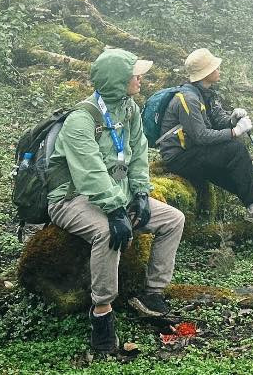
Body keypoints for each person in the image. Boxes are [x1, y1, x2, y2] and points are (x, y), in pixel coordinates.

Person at [47, 47, 186, 357]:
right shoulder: (80, 120)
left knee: (173, 219)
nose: (140, 80)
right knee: (107, 232)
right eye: (135, 75)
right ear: (117, 80)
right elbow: (90, 173)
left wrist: (141, 193)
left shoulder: (129, 109)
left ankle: (152, 293)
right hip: (72, 197)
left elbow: (138, 153)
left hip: (117, 192)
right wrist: (115, 210)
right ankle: (102, 312)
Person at [156, 48, 253, 228]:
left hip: (196, 153)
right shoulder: (188, 98)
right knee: (235, 149)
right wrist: (235, 132)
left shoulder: (206, 93)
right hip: (179, 158)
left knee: (240, 167)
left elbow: (217, 120)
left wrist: (232, 120)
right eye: (215, 67)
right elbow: (201, 136)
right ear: (205, 73)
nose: (218, 70)